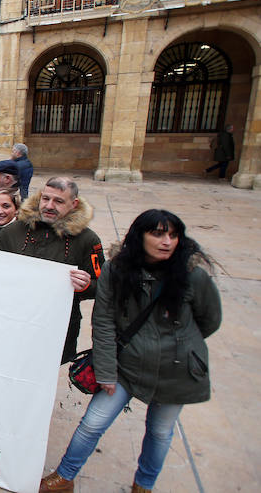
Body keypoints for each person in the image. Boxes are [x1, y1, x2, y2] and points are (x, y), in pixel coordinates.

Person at [39, 210, 221, 493]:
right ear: (140, 236)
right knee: (92, 423)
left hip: (175, 370)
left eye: (173, 235)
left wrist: (179, 344)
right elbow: (103, 321)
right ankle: (64, 476)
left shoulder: (193, 276)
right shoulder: (117, 271)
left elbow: (209, 320)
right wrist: (106, 370)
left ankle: (143, 485)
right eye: (158, 234)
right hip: (126, 365)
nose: (166, 242)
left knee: (160, 432)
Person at [0, 177, 105, 363]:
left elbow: (103, 285)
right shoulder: (15, 230)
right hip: (14, 323)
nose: (49, 206)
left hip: (58, 328)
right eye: (45, 199)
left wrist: (86, 286)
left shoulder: (87, 240)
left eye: (58, 201)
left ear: (74, 204)